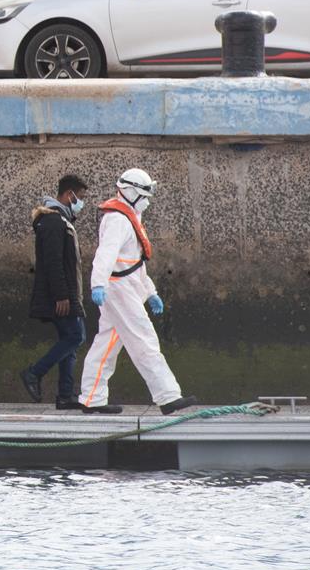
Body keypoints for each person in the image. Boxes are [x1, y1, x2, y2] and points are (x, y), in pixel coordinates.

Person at [78, 169, 197, 416]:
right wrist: (98, 284)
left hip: (124, 285)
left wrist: (150, 291)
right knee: (143, 338)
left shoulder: (130, 216)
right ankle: (167, 396)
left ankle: (92, 398)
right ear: (130, 191)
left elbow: (134, 262)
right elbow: (106, 255)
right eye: (143, 194)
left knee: (106, 344)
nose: (147, 200)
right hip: (118, 289)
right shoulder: (118, 220)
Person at [22, 174, 90, 408]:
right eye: (80, 197)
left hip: (70, 294)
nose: (81, 202)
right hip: (62, 296)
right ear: (68, 194)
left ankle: (65, 395)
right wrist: (62, 295)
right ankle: (34, 372)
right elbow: (53, 262)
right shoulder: (53, 222)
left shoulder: (62, 220)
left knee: (70, 341)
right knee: (75, 336)